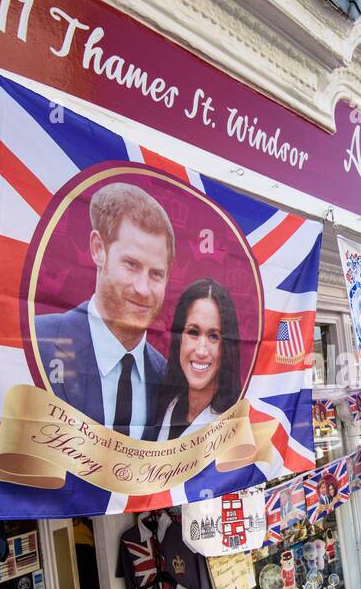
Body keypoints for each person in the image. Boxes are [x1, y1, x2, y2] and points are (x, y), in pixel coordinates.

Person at [36, 183, 173, 439]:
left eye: (156, 274)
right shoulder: (36, 342)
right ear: (99, 249)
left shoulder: (166, 376)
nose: (143, 289)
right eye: (131, 265)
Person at [156, 278, 241, 440]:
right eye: (193, 332)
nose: (201, 351)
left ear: (226, 347)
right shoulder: (164, 405)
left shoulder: (236, 425)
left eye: (213, 336)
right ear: (179, 338)